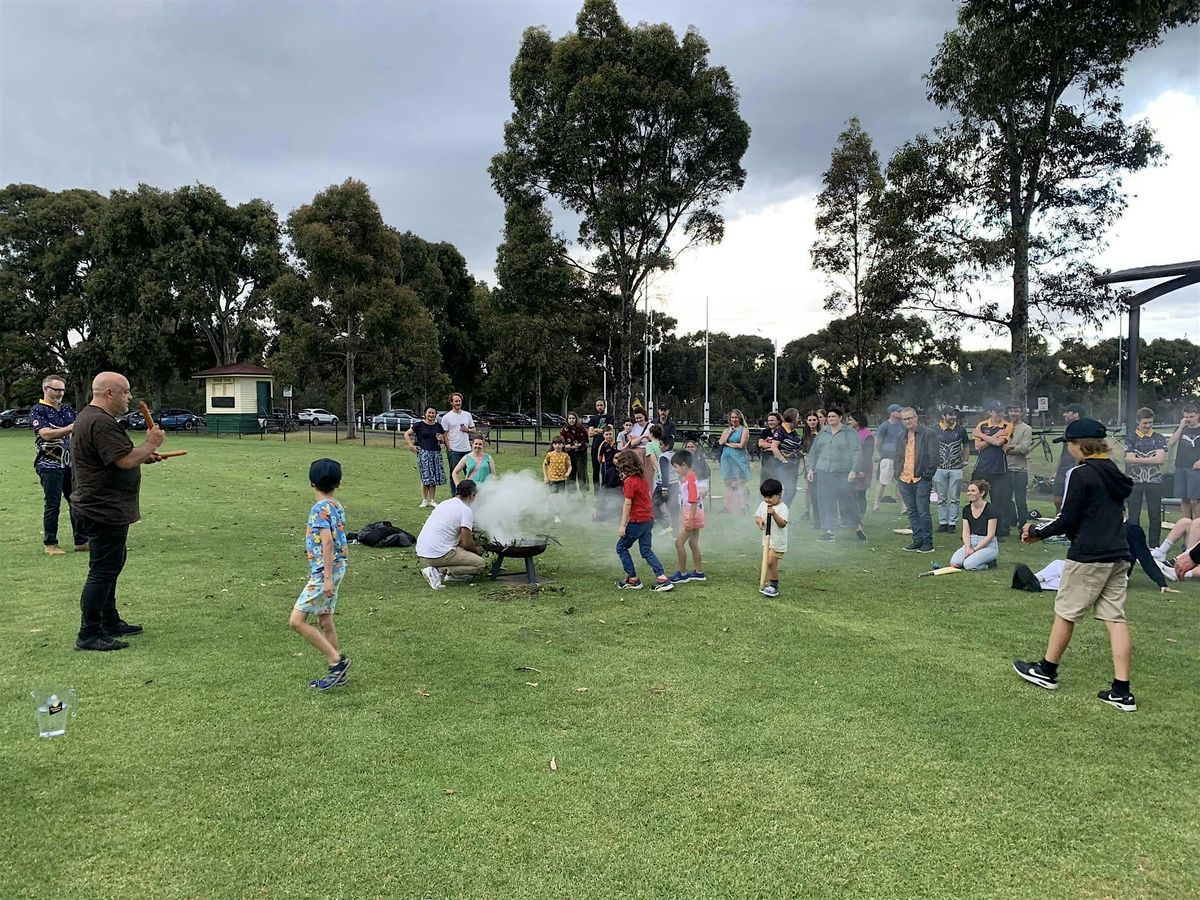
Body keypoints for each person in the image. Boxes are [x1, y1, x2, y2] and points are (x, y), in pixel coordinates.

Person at [1013, 417, 1137, 712]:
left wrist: (1036, 532)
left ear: (1080, 445)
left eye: (1068, 444)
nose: (1067, 450)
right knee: (1115, 619)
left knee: (1065, 612)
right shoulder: (1114, 472)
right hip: (1119, 554)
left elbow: (1067, 517)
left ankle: (1047, 670)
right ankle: (1122, 691)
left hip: (1089, 556)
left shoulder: (1080, 474)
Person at [70, 371, 165, 651]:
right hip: (102, 507)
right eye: (125, 392)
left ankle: (109, 620)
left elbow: (115, 458)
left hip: (104, 505)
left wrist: (144, 456)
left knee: (111, 566)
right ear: (109, 393)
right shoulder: (99, 421)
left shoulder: (93, 418)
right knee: (102, 570)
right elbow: (123, 461)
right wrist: (151, 443)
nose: (130, 397)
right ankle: (89, 633)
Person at [288, 458, 352, 691]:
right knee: (324, 619)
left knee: (296, 621)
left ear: (311, 483)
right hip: (334, 569)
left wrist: (324, 578)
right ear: (339, 484)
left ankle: (337, 663)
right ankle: (336, 669)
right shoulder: (336, 505)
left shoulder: (318, 510)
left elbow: (327, 543)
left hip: (327, 572)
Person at [30, 373, 87, 555]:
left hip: (70, 465)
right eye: (56, 390)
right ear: (45, 389)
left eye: (62, 390)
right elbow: (46, 434)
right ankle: (51, 544)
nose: (60, 393)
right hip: (49, 465)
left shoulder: (67, 409)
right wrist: (70, 428)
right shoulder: (38, 410)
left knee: (76, 502)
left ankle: (81, 540)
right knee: (52, 504)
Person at [613, 450, 672, 591]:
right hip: (648, 519)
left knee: (621, 547)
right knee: (646, 550)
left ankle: (632, 579)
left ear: (625, 465)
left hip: (637, 521)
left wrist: (622, 526)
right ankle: (662, 578)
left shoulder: (629, 481)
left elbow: (628, 504)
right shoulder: (641, 480)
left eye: (620, 465)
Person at [416, 479, 487, 590]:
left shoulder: (445, 503)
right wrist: (477, 550)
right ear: (471, 495)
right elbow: (467, 544)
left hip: (423, 551)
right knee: (480, 564)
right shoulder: (465, 510)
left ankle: (454, 575)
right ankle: (437, 571)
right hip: (437, 554)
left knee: (467, 554)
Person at [807, 406, 864, 542]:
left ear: (840, 418)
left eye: (834, 416)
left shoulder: (849, 432)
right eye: (829, 417)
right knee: (826, 501)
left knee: (848, 501)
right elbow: (814, 451)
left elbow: (856, 451)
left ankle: (857, 527)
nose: (831, 419)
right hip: (824, 471)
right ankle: (829, 530)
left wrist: (853, 470)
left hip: (843, 472)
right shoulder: (823, 432)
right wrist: (810, 468)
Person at [893, 406, 938, 553]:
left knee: (923, 511)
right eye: (904, 419)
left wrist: (926, 475)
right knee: (912, 511)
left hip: (921, 478)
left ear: (916, 417)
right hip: (904, 478)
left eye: (910, 418)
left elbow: (934, 456)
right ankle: (917, 540)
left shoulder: (928, 434)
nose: (907, 421)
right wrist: (897, 473)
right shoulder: (900, 436)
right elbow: (898, 456)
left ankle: (928, 542)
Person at [1124, 407, 1169, 545]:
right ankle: (1134, 544)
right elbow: (1128, 459)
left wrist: (1137, 458)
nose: (1148, 426)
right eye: (1145, 423)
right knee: (1134, 515)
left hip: (1154, 481)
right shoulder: (1131, 438)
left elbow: (1159, 459)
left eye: (1150, 422)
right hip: (1135, 480)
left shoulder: (1159, 438)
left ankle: (1154, 546)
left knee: (1155, 515)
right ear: (1138, 422)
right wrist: (1151, 459)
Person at [972, 400, 1014, 538]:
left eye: (1002, 411)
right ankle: (975, 528)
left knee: (999, 501)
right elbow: (978, 447)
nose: (1000, 414)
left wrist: (982, 435)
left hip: (999, 469)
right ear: (990, 412)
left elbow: (998, 443)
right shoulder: (982, 425)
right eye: (997, 411)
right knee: (976, 499)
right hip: (982, 468)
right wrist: (994, 435)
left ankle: (998, 531)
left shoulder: (1007, 425)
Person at [667, 449, 706, 584]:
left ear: (684, 465)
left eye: (676, 467)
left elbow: (694, 500)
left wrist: (689, 520)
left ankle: (682, 573)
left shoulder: (690, 479)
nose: (675, 470)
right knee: (693, 543)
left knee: (679, 543)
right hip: (694, 514)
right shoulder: (690, 477)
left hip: (692, 515)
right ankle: (699, 572)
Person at [933, 407, 970, 533]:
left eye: (954, 415)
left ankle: (952, 523)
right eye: (950, 415)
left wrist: (965, 460)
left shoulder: (961, 430)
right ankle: (943, 522)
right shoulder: (935, 429)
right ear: (943, 416)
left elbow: (966, 445)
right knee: (941, 497)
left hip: (956, 467)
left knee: (955, 498)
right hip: (939, 467)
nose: (953, 417)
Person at [949, 480, 999, 570]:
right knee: (954, 563)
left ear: (982, 493)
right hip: (971, 542)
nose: (969, 493)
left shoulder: (991, 509)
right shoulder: (966, 509)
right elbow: (965, 532)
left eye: (973, 491)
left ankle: (989, 564)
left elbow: (990, 535)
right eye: (968, 491)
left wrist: (974, 550)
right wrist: (968, 547)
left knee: (969, 565)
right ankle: (975, 558)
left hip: (987, 545)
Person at [404, 406, 446, 508]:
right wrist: (411, 446)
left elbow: (442, 439)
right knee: (425, 477)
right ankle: (424, 500)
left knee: (434, 478)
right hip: (424, 453)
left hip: (436, 453)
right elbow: (406, 434)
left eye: (433, 413)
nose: (431, 415)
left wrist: (441, 439)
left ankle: (432, 500)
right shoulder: (419, 425)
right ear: (425, 414)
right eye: (429, 413)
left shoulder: (438, 426)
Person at [755, 478, 789, 598]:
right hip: (767, 541)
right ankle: (764, 581)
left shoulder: (783, 508)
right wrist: (760, 523)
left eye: (770, 497)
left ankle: (773, 586)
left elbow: (782, 524)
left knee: (770, 563)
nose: (767, 500)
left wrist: (774, 514)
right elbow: (758, 517)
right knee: (766, 562)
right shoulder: (763, 504)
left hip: (778, 543)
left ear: (779, 495)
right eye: (765, 497)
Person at [1167, 402, 1200, 519]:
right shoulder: (1181, 428)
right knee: (1184, 499)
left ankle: (1197, 528)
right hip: (1181, 466)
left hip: (1196, 469)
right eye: (1186, 417)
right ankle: (1186, 526)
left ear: (1197, 415)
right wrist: (1181, 427)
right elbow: (1171, 442)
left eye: (1191, 416)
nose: (1189, 419)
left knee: (1196, 500)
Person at [1052, 403, 1087, 513]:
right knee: (1057, 500)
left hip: (1076, 469)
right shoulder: (1067, 430)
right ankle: (1058, 523)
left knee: (1075, 501)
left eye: (1068, 412)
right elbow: (1063, 452)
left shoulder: (1085, 430)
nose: (1064, 414)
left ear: (1076, 414)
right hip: (1063, 469)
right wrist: (1055, 470)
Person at [1004, 402, 1033, 529]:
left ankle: (1023, 528)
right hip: (1005, 469)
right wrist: (1013, 447)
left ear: (1021, 412)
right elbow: (998, 445)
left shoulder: (1026, 428)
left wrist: (1006, 448)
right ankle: (1007, 525)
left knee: (1020, 501)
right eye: (1011, 411)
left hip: (1020, 470)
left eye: (1016, 411)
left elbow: (1024, 448)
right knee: (1005, 500)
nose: (1014, 414)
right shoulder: (1003, 427)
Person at [718, 409, 752, 515]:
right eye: (732, 417)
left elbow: (741, 445)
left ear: (740, 418)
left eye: (736, 417)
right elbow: (721, 442)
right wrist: (729, 433)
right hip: (727, 459)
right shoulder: (727, 430)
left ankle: (742, 506)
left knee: (740, 482)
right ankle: (727, 506)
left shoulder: (744, 430)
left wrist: (728, 444)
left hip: (739, 459)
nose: (734, 419)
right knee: (727, 482)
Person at [873, 404, 906, 512]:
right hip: (887, 457)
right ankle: (876, 505)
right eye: (898, 411)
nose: (901, 413)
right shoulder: (884, 426)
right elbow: (877, 442)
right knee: (883, 482)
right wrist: (882, 452)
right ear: (892, 413)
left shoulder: (902, 425)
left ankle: (903, 507)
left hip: (900, 458)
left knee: (900, 483)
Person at [441, 392, 475, 494]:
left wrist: (467, 430)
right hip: (454, 451)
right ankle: (455, 495)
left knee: (469, 474)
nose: (458, 403)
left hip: (467, 450)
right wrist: (449, 448)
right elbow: (444, 434)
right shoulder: (447, 417)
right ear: (451, 402)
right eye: (456, 401)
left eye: (459, 401)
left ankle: (470, 495)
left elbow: (474, 429)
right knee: (454, 474)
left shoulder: (467, 415)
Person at [848, 410, 874, 524]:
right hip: (850, 467)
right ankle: (850, 517)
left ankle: (860, 518)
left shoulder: (867, 435)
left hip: (863, 467)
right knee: (849, 493)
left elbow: (868, 454)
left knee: (860, 493)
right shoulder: (850, 433)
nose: (848, 422)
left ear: (857, 421)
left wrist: (861, 470)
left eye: (850, 419)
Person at [586, 398, 615, 493]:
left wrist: (596, 430)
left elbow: (609, 430)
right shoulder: (593, 419)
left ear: (604, 406)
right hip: (595, 447)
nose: (599, 407)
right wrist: (602, 431)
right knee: (595, 470)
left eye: (601, 405)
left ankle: (605, 491)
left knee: (606, 469)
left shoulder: (610, 417)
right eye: (598, 405)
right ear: (595, 406)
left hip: (607, 448)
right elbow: (590, 433)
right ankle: (596, 492)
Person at [542, 437, 572, 523]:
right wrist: (546, 477)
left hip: (562, 479)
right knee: (553, 497)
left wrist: (567, 473)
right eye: (555, 444)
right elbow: (544, 465)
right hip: (552, 479)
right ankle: (549, 507)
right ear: (553, 445)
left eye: (559, 444)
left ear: (563, 445)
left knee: (560, 498)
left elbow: (569, 465)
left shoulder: (565, 455)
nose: (557, 446)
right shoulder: (550, 455)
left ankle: (558, 514)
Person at [559, 412, 590, 493]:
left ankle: (584, 493)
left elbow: (586, 442)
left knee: (581, 473)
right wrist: (567, 446)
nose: (571, 420)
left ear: (576, 419)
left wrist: (579, 445)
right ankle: (571, 494)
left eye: (573, 418)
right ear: (567, 420)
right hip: (569, 454)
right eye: (570, 418)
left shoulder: (582, 429)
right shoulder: (563, 430)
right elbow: (560, 444)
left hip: (581, 454)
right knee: (570, 473)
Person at [596, 426, 623, 520]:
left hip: (617, 469)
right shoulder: (603, 445)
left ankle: (618, 510)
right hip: (607, 469)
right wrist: (604, 464)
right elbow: (599, 458)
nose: (608, 436)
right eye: (606, 434)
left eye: (610, 434)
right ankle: (601, 510)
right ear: (603, 435)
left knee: (618, 488)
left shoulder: (616, 444)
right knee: (605, 487)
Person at [801, 410, 822, 525]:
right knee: (811, 491)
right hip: (809, 466)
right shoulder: (805, 434)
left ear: (818, 420)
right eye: (810, 420)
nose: (812, 422)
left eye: (814, 420)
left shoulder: (822, 433)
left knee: (821, 493)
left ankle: (824, 518)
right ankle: (816, 519)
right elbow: (804, 452)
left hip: (821, 466)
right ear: (806, 421)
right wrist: (809, 467)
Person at [758, 412, 783, 487]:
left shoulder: (782, 432)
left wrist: (769, 447)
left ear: (778, 421)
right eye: (769, 420)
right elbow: (760, 444)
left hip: (778, 462)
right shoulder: (766, 432)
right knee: (764, 483)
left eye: (772, 420)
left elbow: (782, 446)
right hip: (766, 461)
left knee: (777, 483)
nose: (770, 422)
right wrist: (774, 446)